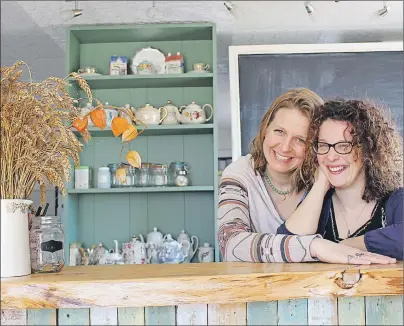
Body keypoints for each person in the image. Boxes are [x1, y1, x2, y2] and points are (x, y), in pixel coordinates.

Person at [218, 89, 396, 265]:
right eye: (279, 131)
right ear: (265, 129)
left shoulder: (326, 178)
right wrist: (315, 246)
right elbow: (231, 245)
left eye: (300, 140)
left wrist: (320, 184)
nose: (285, 147)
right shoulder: (240, 174)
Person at [281, 99, 403, 260]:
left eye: (344, 146)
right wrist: (320, 185)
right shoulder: (318, 205)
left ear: (367, 149)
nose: (331, 156)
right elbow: (286, 246)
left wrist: (344, 246)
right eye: (324, 145)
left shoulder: (395, 200)